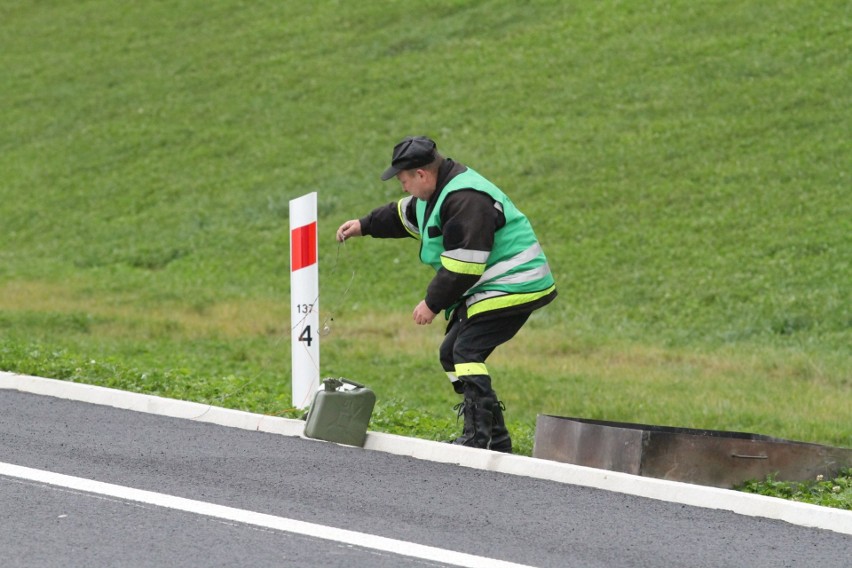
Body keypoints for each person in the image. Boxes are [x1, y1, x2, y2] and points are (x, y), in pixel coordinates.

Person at [336, 136, 556, 453]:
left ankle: (479, 439)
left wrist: (431, 304)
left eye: (404, 181)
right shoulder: (436, 193)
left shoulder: (466, 199)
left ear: (422, 175)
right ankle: (495, 436)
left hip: (515, 283)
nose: (403, 188)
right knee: (450, 353)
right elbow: (403, 215)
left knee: (466, 352)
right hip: (491, 284)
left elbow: (464, 266)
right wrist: (363, 225)